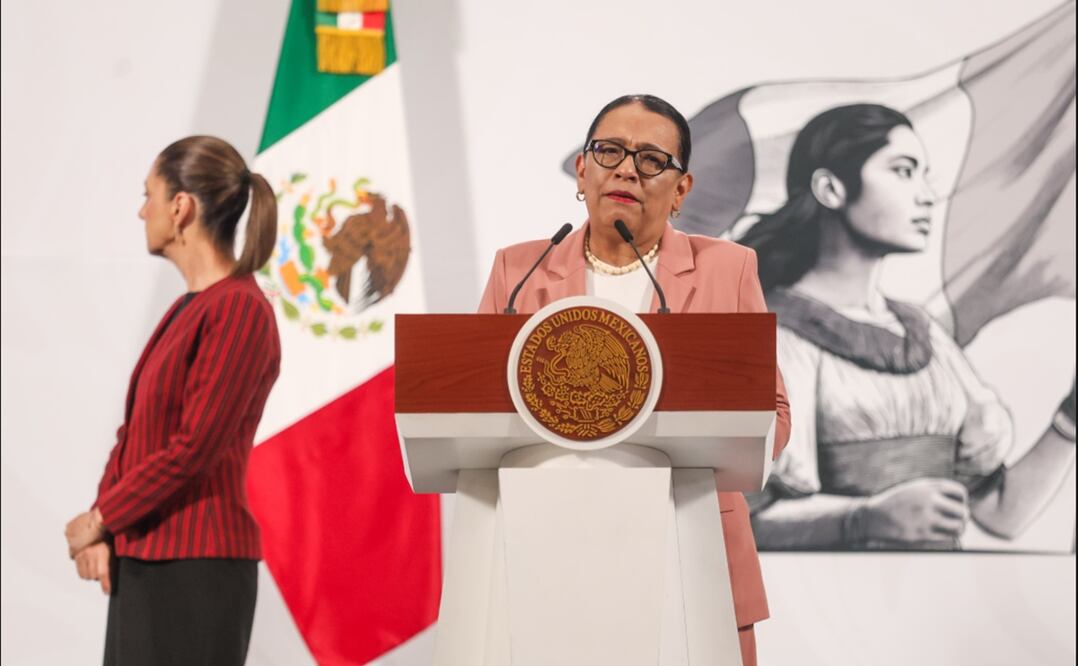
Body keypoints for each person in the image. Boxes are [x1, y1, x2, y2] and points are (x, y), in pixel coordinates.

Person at [478, 94, 791, 666]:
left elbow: (774, 415)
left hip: (692, 549)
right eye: (610, 151)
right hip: (550, 555)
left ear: (682, 189)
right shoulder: (519, 272)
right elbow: (469, 404)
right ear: (582, 168)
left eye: (651, 159)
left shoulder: (727, 269)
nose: (626, 168)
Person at [738, 103, 1076, 550]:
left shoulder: (926, 335)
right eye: (903, 171)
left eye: (924, 174)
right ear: (830, 188)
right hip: (823, 605)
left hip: (930, 603)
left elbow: (1000, 513)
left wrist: (1071, 416)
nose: (926, 194)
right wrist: (864, 519)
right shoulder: (774, 336)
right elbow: (739, 522)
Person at [63, 135, 281, 665]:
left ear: (181, 207)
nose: (143, 211)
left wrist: (100, 517)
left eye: (149, 195)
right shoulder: (192, 307)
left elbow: (194, 448)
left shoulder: (239, 310)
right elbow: (135, 433)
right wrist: (105, 528)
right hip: (147, 559)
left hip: (197, 568)